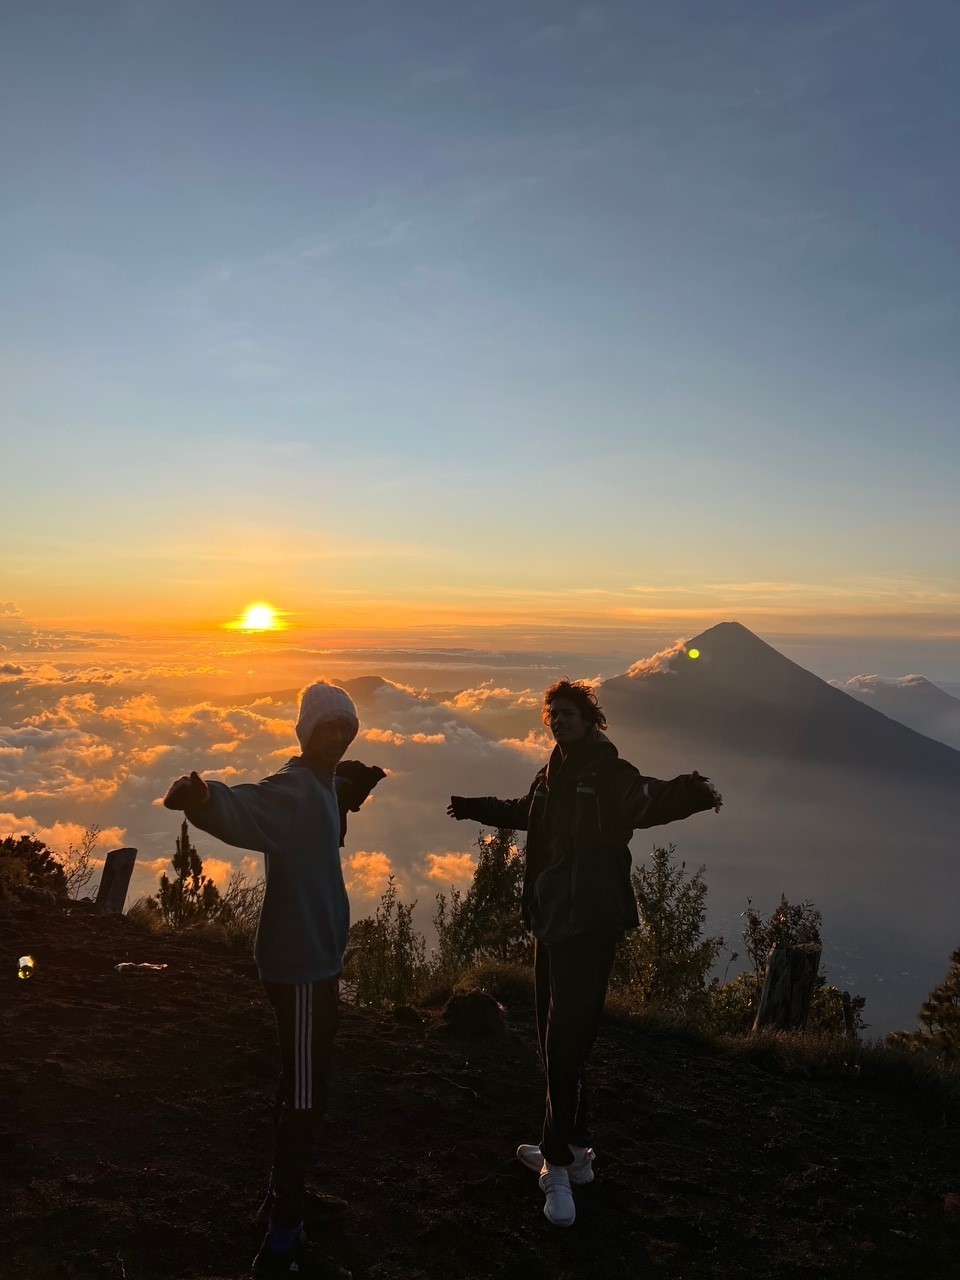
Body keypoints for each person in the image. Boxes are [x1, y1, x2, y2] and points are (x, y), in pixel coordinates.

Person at [447, 678, 721, 1228]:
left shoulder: (606, 773)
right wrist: (475, 807)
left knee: (567, 1043)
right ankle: (576, 1148)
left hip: (590, 925)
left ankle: (556, 1167)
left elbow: (645, 799)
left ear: (591, 719)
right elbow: (524, 810)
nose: (560, 720)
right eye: (554, 714)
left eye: (569, 713)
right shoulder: (551, 774)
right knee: (557, 1041)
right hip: (549, 922)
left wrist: (689, 791)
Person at [163, 682, 385, 1280]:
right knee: (308, 1098)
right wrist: (202, 799)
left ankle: (280, 1198)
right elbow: (247, 806)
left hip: (306, 960)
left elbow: (334, 790)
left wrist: (359, 779)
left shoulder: (318, 785)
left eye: (346, 728)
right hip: (305, 967)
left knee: (296, 1084)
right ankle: (284, 1235)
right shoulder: (293, 789)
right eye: (326, 729)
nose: (337, 737)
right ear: (304, 733)